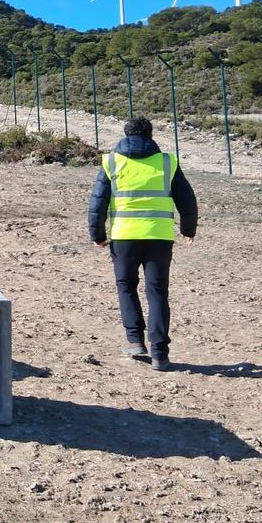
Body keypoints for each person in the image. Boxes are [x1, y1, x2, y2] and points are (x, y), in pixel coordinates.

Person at [88, 117, 198, 371]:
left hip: (124, 236)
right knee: (157, 292)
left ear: (126, 134)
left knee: (126, 286)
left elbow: (97, 202)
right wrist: (188, 230)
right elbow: (187, 200)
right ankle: (160, 354)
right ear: (151, 135)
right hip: (159, 236)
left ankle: (135, 340)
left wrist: (98, 235)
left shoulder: (112, 161)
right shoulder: (167, 162)